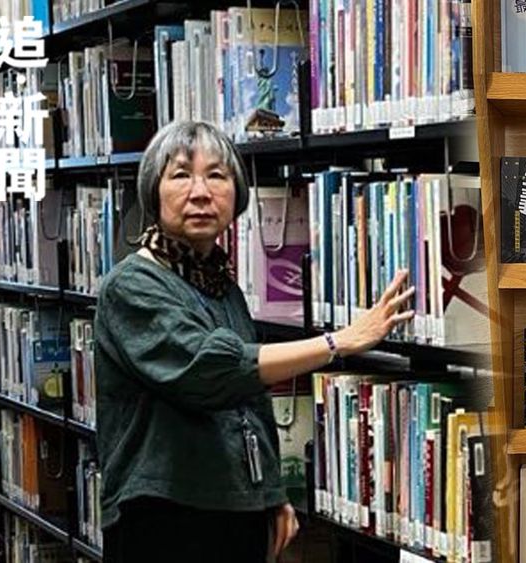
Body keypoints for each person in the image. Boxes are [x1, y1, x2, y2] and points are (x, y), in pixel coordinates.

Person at [95, 121, 415, 562]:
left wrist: (269, 492)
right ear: (154, 191)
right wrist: (339, 341)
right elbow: (212, 371)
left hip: (235, 511)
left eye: (217, 175)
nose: (201, 191)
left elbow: (249, 405)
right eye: (181, 174)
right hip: (164, 517)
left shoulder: (222, 289)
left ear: (237, 195)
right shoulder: (130, 286)